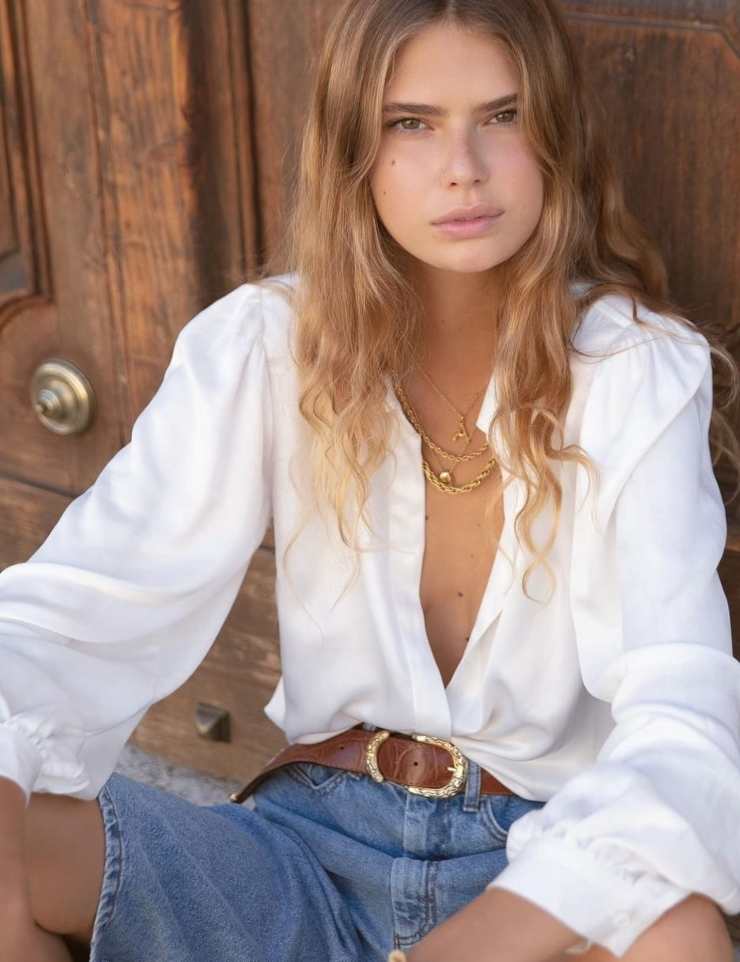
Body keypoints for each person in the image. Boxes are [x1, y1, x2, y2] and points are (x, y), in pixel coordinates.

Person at [2, 1, 739, 960]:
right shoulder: (266, 347)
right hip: (303, 851)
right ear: (353, 148)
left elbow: (686, 715)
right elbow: (68, 613)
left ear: (556, 135)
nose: (463, 167)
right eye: (411, 123)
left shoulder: (633, 372)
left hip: (537, 862)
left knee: (677, 930)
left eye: (503, 116)